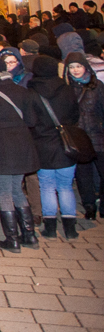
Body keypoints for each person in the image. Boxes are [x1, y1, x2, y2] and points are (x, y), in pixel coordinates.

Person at [0, 55, 40, 252]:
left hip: (1, 146)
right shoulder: (21, 90)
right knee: (17, 189)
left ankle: (12, 239)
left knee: (4, 192)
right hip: (22, 146)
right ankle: (29, 235)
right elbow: (31, 121)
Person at [28, 55, 81, 240]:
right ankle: (70, 229)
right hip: (66, 145)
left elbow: (30, 121)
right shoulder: (67, 89)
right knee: (66, 186)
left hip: (42, 145)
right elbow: (75, 115)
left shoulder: (32, 92)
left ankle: (50, 228)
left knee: (47, 187)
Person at [65, 53, 104, 219]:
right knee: (83, 175)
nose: (75, 70)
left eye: (78, 66)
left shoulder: (97, 86)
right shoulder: (67, 88)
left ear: (85, 67)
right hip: (79, 138)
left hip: (98, 135)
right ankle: (89, 206)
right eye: (71, 67)